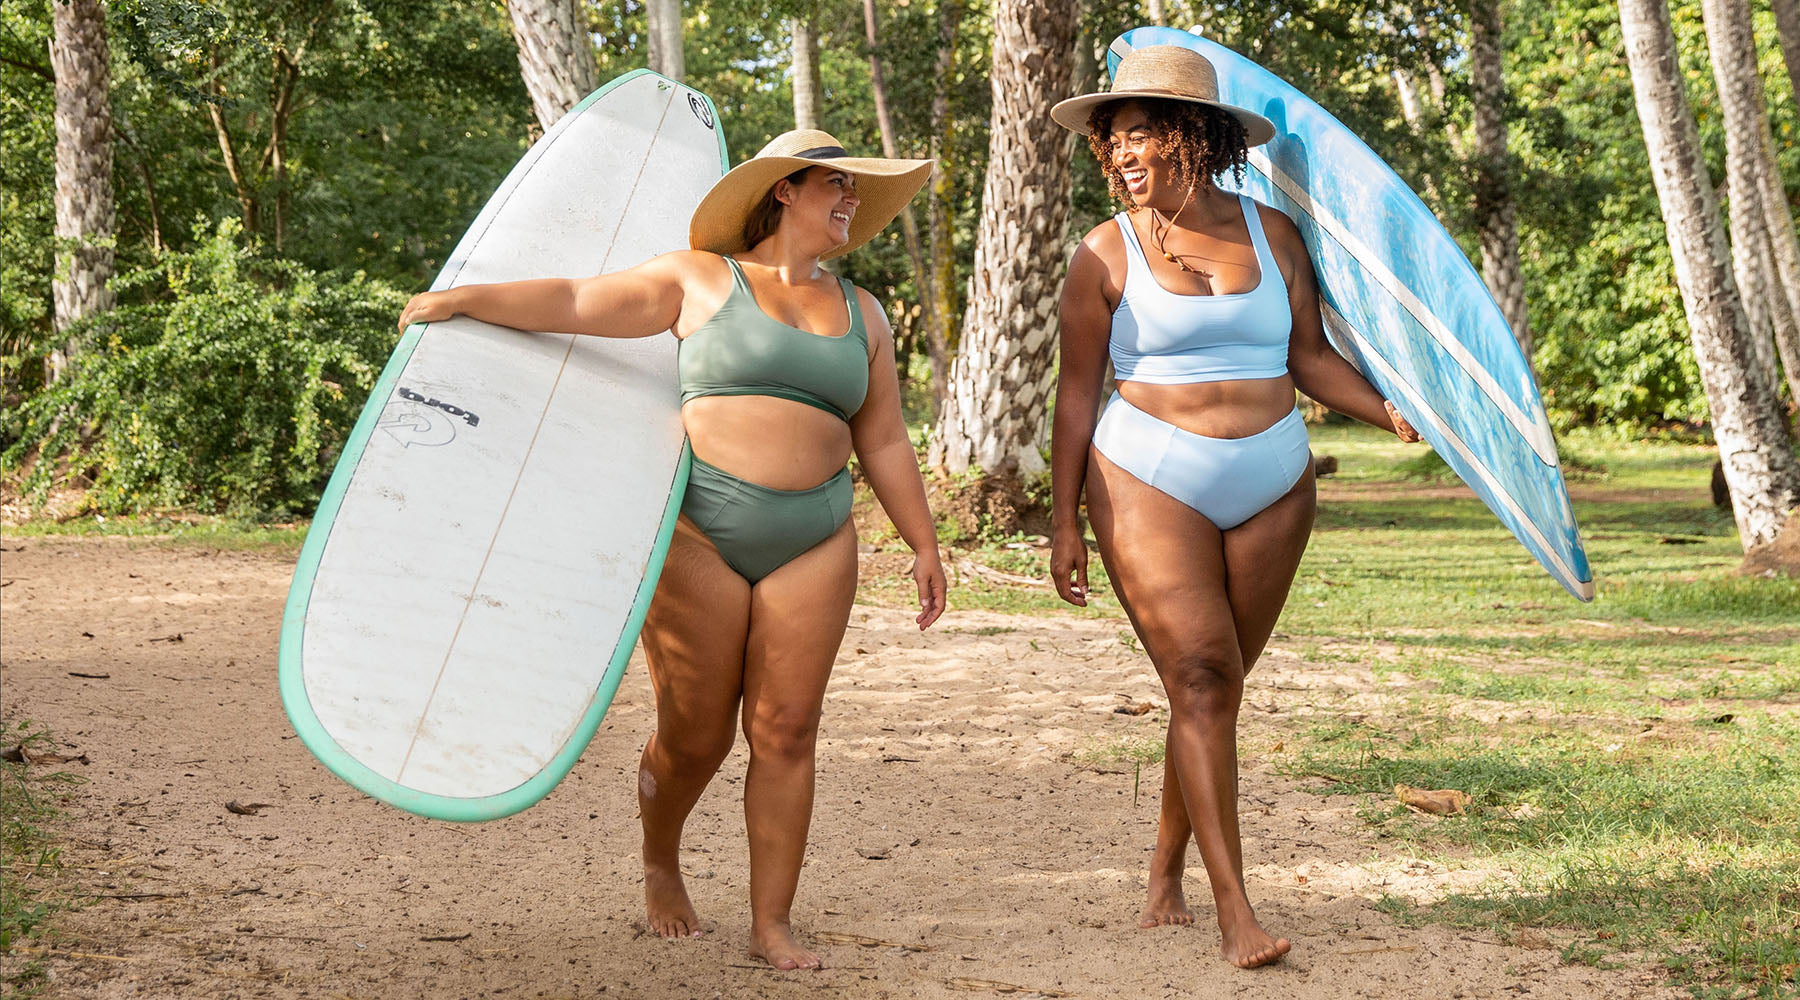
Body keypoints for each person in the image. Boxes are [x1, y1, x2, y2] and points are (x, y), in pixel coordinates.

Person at [397, 130, 948, 971]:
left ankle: (772, 925)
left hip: (818, 534)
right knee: (696, 736)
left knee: (789, 729)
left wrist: (924, 543)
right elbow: (578, 302)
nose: (849, 202)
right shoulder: (700, 279)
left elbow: (885, 441)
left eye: (853, 188)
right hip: (704, 529)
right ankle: (662, 858)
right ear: (783, 192)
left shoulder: (863, 311)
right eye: (834, 184)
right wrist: (466, 299)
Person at [1046, 46, 1421, 969]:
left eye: (1146, 133)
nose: (1126, 152)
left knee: (1210, 690)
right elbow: (1075, 393)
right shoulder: (1102, 253)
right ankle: (1235, 911)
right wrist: (1062, 518)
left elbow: (1309, 358)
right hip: (1146, 471)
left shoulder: (1274, 235)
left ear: (1198, 137)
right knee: (1205, 678)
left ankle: (1166, 865)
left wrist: (1390, 410)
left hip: (1275, 478)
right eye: (1116, 137)